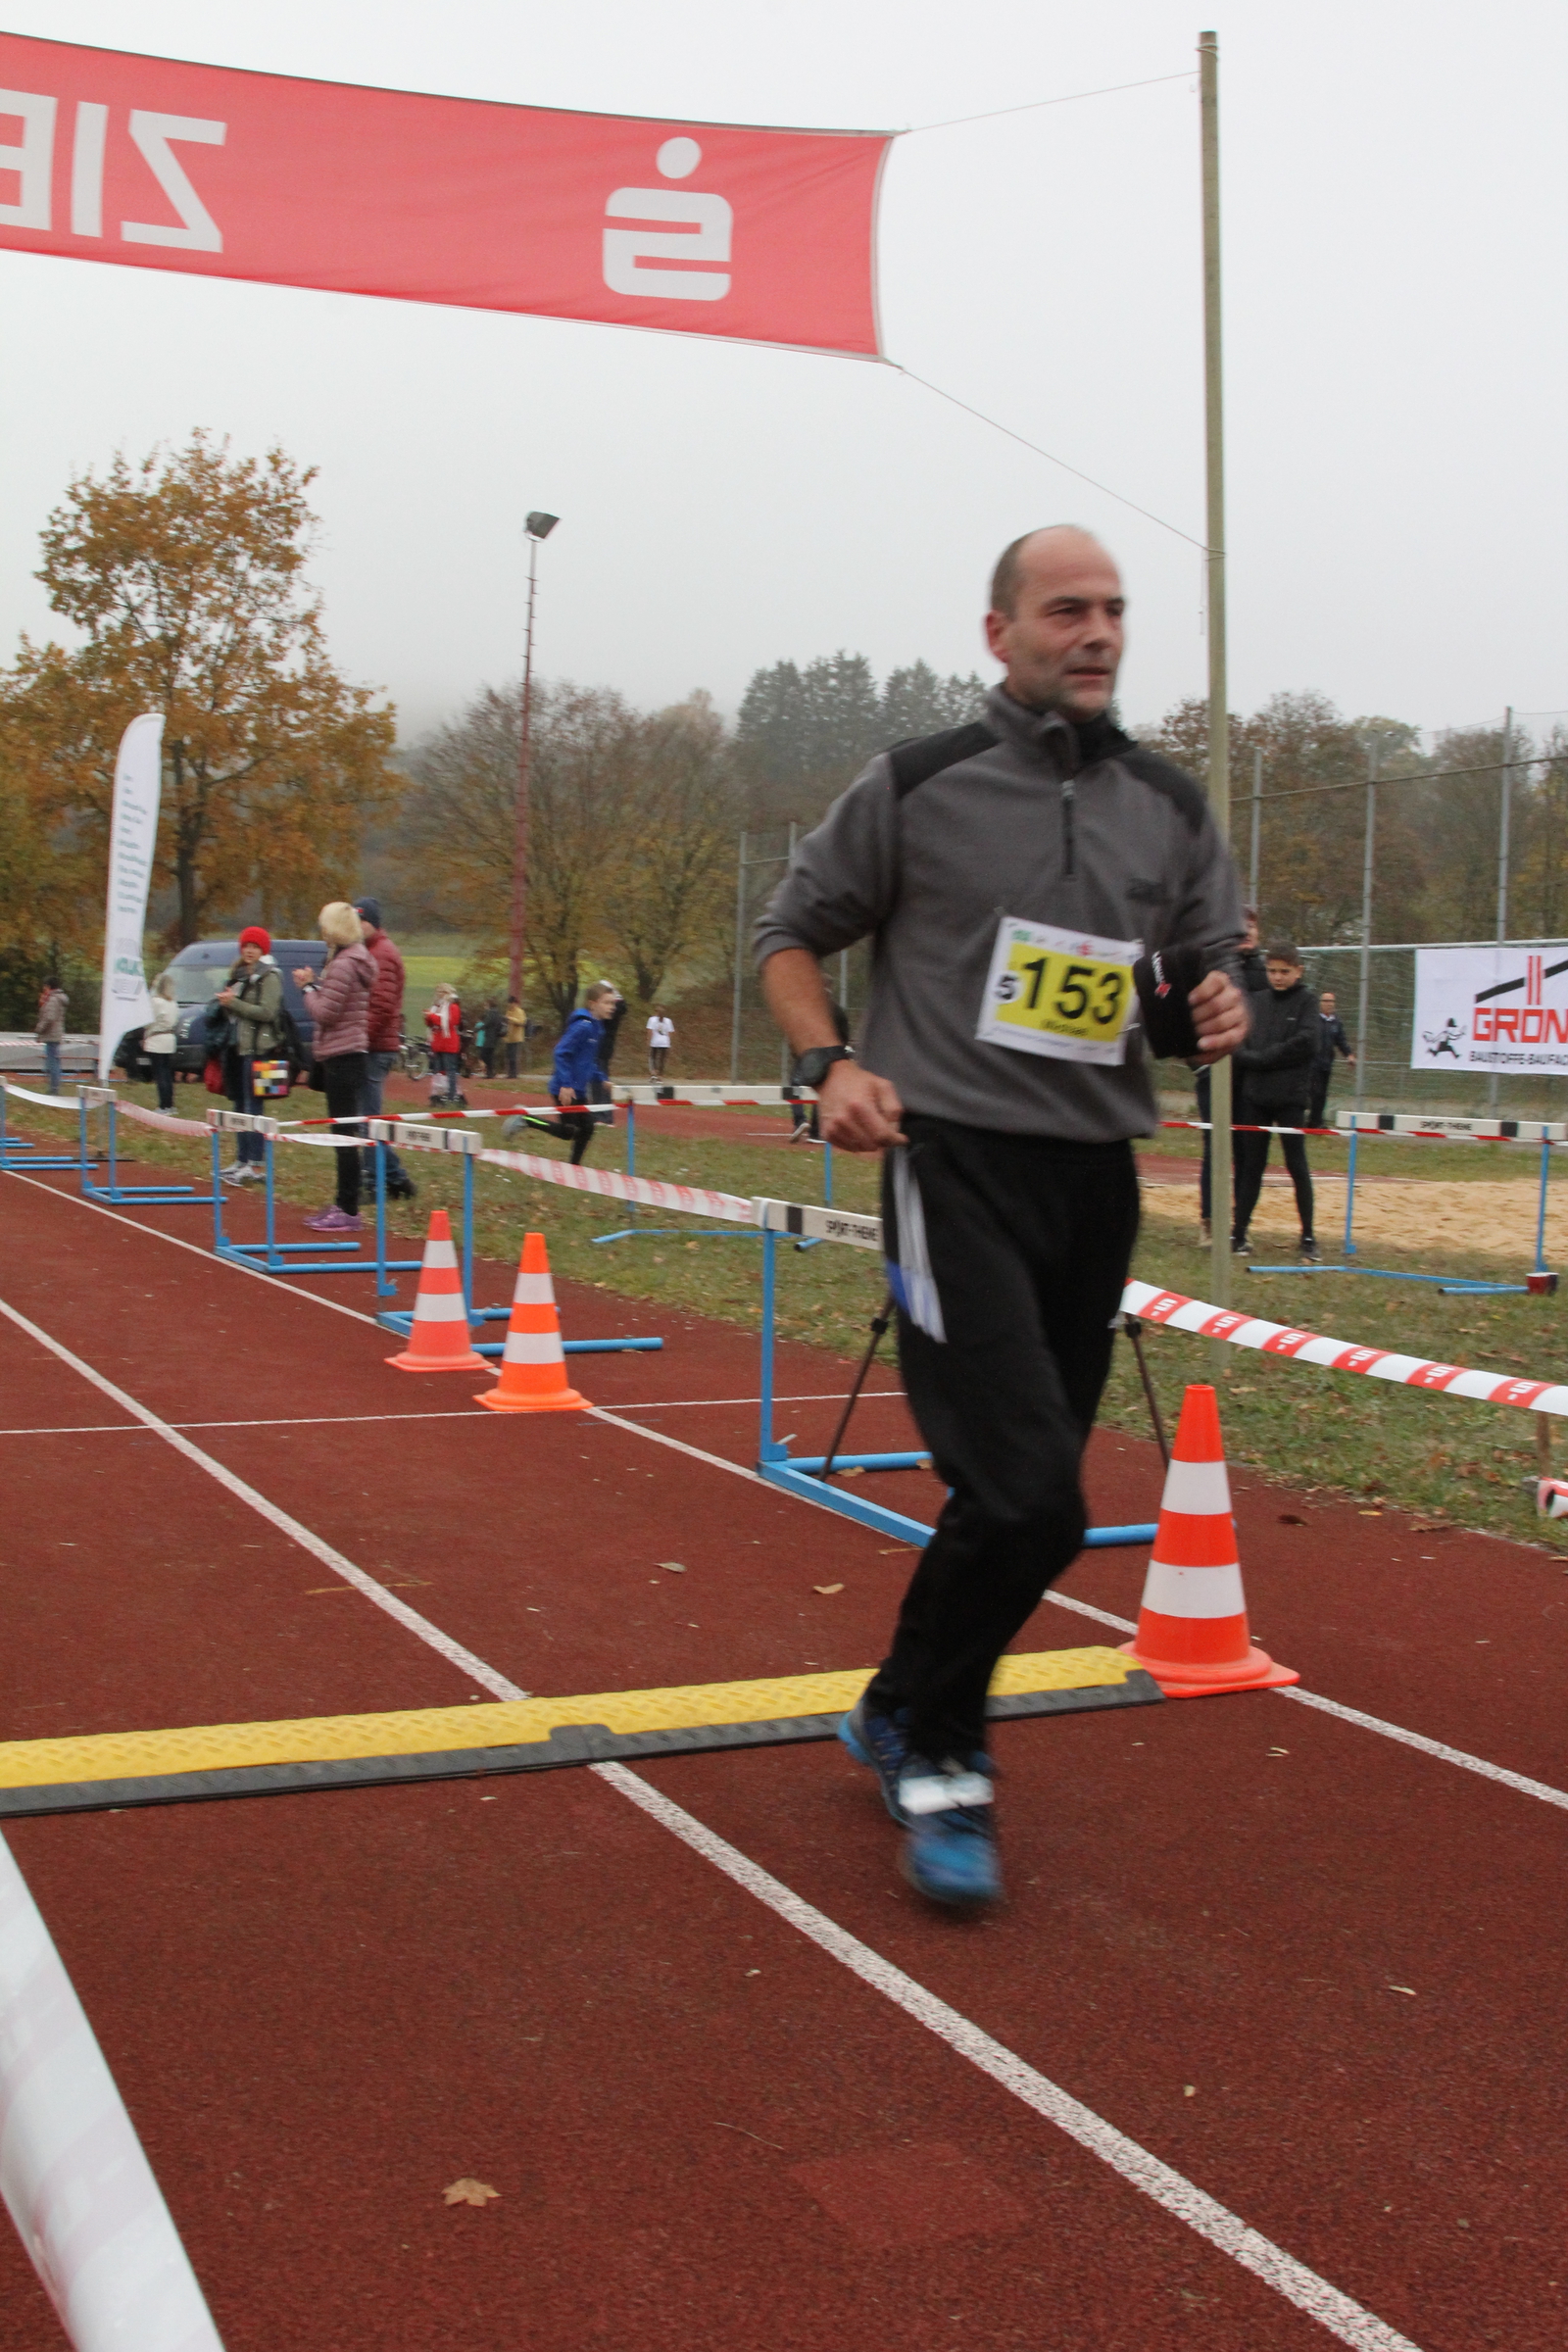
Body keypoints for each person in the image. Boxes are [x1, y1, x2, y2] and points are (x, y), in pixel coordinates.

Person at [756, 523, 1247, 1907]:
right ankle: (944, 1759)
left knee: (1013, 1495)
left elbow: (1201, 971)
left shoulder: (1168, 803)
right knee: (1034, 1494)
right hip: (950, 1163)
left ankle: (898, 1701)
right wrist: (827, 1064)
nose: (1096, 633)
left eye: (1114, 610)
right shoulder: (918, 783)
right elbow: (788, 935)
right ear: (1001, 633)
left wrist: (1217, 1006)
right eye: (1066, 609)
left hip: (1093, 1179)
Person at [1231, 943, 1320, 1260]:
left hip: (1290, 1098)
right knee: (1251, 1166)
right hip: (1256, 1097)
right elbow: (1240, 1042)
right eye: (1272, 971)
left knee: (1297, 1165)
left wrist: (1263, 1058)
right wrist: (1250, 1058)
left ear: (1298, 971)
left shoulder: (1308, 1001)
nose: (1278, 977)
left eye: (1284, 971)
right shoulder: (1256, 1001)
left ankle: (1308, 1236)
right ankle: (1239, 1232)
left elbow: (1306, 1043)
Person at [294, 904, 375, 1231]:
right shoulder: (351, 960)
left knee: (344, 1137)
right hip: (346, 1052)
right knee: (343, 1133)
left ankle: (349, 1208)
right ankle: (344, 1203)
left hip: (343, 1055)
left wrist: (306, 989)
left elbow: (326, 1013)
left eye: (324, 925)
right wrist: (316, 986)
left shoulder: (343, 964)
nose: (322, 931)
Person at [1195, 905, 1267, 1245]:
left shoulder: (1265, 974)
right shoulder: (1213, 969)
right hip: (1215, 1072)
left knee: (1246, 1149)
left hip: (1251, 1076)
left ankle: (1239, 1227)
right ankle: (1210, 1221)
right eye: (1241, 925)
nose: (1248, 932)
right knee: (1216, 1145)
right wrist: (1200, 1063)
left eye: (1253, 926)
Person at [502, 983, 615, 1165]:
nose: (612, 1007)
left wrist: (602, 1079)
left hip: (578, 1090)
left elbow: (587, 1061)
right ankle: (526, 1119)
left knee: (587, 1127)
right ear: (593, 1004)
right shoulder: (583, 1026)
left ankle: (574, 1167)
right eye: (607, 1003)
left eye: (613, 1003)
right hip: (564, 1088)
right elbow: (560, 1052)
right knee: (568, 1131)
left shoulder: (597, 1028)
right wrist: (566, 1084)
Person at [353, 898, 416, 1203]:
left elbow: (380, 1007)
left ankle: (373, 1182)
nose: (357, 926)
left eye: (362, 921)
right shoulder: (367, 951)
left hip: (375, 1047)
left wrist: (358, 1040)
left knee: (368, 1118)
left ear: (374, 923)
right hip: (371, 1044)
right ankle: (396, 1177)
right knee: (366, 1116)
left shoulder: (383, 954)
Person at [213, 928, 280, 1182]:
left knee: (254, 1107)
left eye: (255, 946)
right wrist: (224, 1004)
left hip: (261, 1051)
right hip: (238, 1049)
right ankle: (241, 1160)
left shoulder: (270, 977)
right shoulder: (239, 975)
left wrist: (235, 1004)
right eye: (246, 946)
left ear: (264, 950)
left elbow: (267, 1012)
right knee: (239, 1107)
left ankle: (256, 1164)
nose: (249, 950)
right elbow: (237, 1013)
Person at [1308, 988, 1354, 1132]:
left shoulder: (1336, 1022)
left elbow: (1341, 1041)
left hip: (1326, 1063)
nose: (1329, 1004)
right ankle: (1314, 1120)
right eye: (1326, 1001)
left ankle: (1315, 1121)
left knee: (1322, 1094)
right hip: (1311, 1063)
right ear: (1320, 1003)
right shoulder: (1313, 1020)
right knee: (1314, 1092)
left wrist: (1349, 1055)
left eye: (1331, 1001)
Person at [424, 984, 465, 1107]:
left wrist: (432, 1016)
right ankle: (438, 1095)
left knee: (450, 1070)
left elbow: (450, 1022)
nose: (438, 994)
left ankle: (452, 1095)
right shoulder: (437, 1007)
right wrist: (428, 1017)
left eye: (440, 992)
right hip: (438, 1042)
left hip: (449, 1042)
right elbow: (431, 1024)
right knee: (438, 1071)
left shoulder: (453, 1007)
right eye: (437, 992)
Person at [145, 972, 179, 1110]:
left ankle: (163, 1105)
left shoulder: (155, 1002)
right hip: (169, 1039)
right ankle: (169, 1104)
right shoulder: (173, 1003)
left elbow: (148, 1022)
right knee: (167, 1073)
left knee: (160, 1074)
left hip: (156, 1039)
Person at [34, 977, 68, 1095]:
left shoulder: (53, 999)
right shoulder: (58, 998)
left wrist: (39, 1029)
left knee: (52, 1062)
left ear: (49, 986)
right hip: (55, 1033)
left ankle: (54, 1088)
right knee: (54, 1061)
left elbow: (49, 1017)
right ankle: (54, 1087)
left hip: (51, 1034)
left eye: (45, 986)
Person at [595, 985, 626, 1078]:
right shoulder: (618, 1009)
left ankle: (602, 1081)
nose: (610, 1007)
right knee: (602, 1063)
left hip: (603, 1040)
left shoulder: (603, 1015)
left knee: (600, 1063)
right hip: (608, 1040)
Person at [646, 1005, 674, 1077]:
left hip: (655, 1042)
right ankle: (660, 1074)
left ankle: (653, 1072)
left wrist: (648, 1040)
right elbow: (670, 1033)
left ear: (656, 1012)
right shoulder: (668, 1021)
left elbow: (650, 1031)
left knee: (653, 1057)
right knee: (662, 1059)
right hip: (664, 1042)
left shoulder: (651, 1019)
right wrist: (669, 1042)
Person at [504, 996, 526, 1081]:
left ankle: (514, 1073)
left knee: (514, 1056)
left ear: (514, 1003)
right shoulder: (508, 1011)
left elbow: (522, 1022)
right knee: (509, 1056)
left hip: (516, 1038)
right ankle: (510, 1073)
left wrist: (511, 1018)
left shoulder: (520, 1011)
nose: (509, 1005)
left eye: (511, 1003)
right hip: (509, 1037)